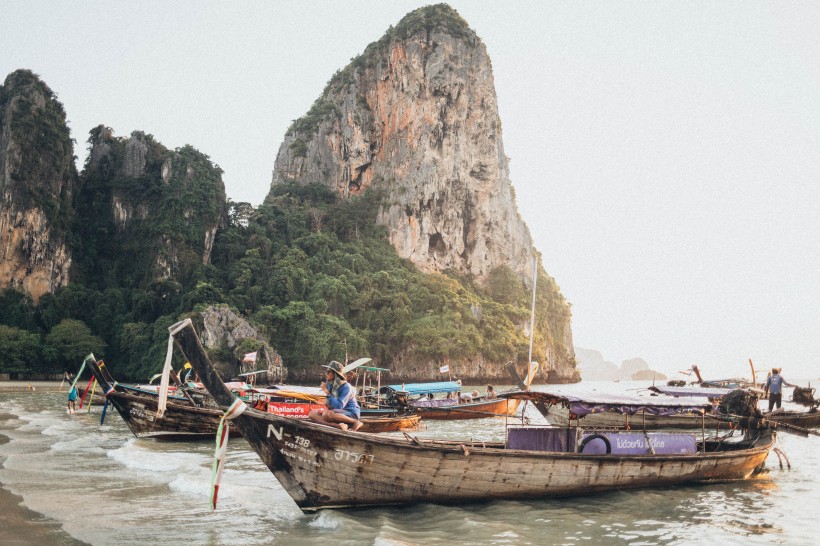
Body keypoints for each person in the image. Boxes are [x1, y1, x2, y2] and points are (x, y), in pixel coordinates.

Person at [308, 361, 363, 431]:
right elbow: (330, 405)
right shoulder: (330, 385)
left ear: (335, 374)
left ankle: (355, 422)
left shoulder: (347, 387)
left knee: (326, 414)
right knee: (312, 414)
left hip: (351, 413)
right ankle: (337, 426)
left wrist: (327, 392)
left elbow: (339, 406)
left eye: (328, 372)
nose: (326, 374)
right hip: (336, 413)